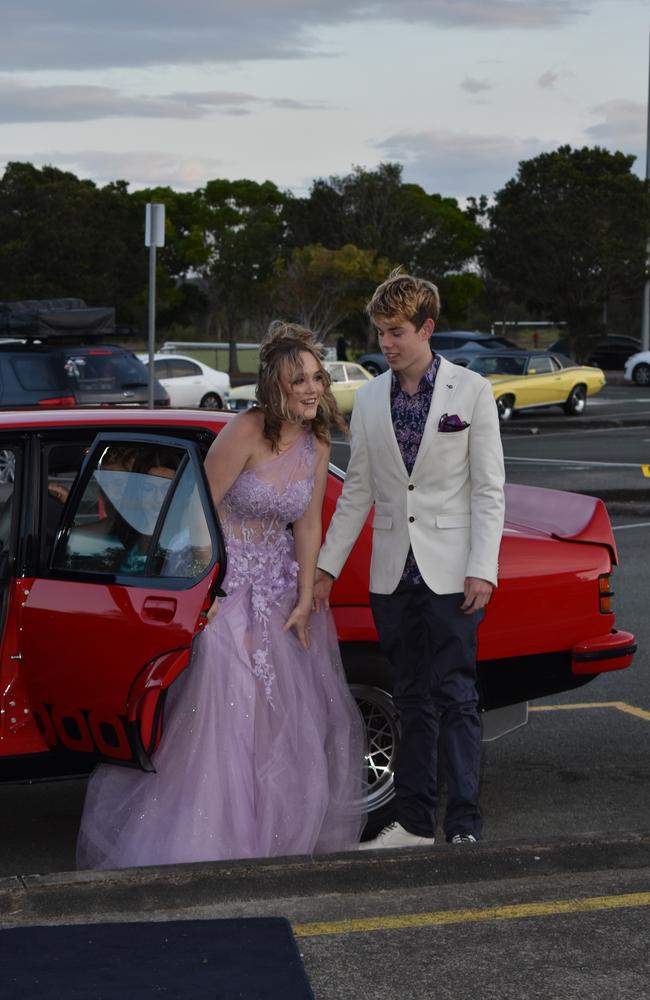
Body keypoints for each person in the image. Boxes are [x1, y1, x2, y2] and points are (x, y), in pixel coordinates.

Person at [76, 322, 367, 869]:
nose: (313, 388)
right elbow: (194, 511)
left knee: (283, 722)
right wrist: (199, 593)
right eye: (300, 379)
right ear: (275, 385)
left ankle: (271, 844)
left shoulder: (317, 438)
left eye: (318, 377)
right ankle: (216, 847)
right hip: (225, 590)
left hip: (280, 593)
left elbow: (307, 525)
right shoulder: (244, 431)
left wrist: (306, 599)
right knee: (226, 714)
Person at [314, 271, 505, 849]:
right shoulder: (370, 397)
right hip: (392, 576)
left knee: (458, 697)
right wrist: (325, 568)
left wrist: (483, 567)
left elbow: (489, 489)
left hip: (453, 573)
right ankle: (417, 824)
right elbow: (357, 491)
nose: (386, 344)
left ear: (427, 328)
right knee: (412, 699)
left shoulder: (472, 392)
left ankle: (464, 825)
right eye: (380, 332)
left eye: (396, 332)